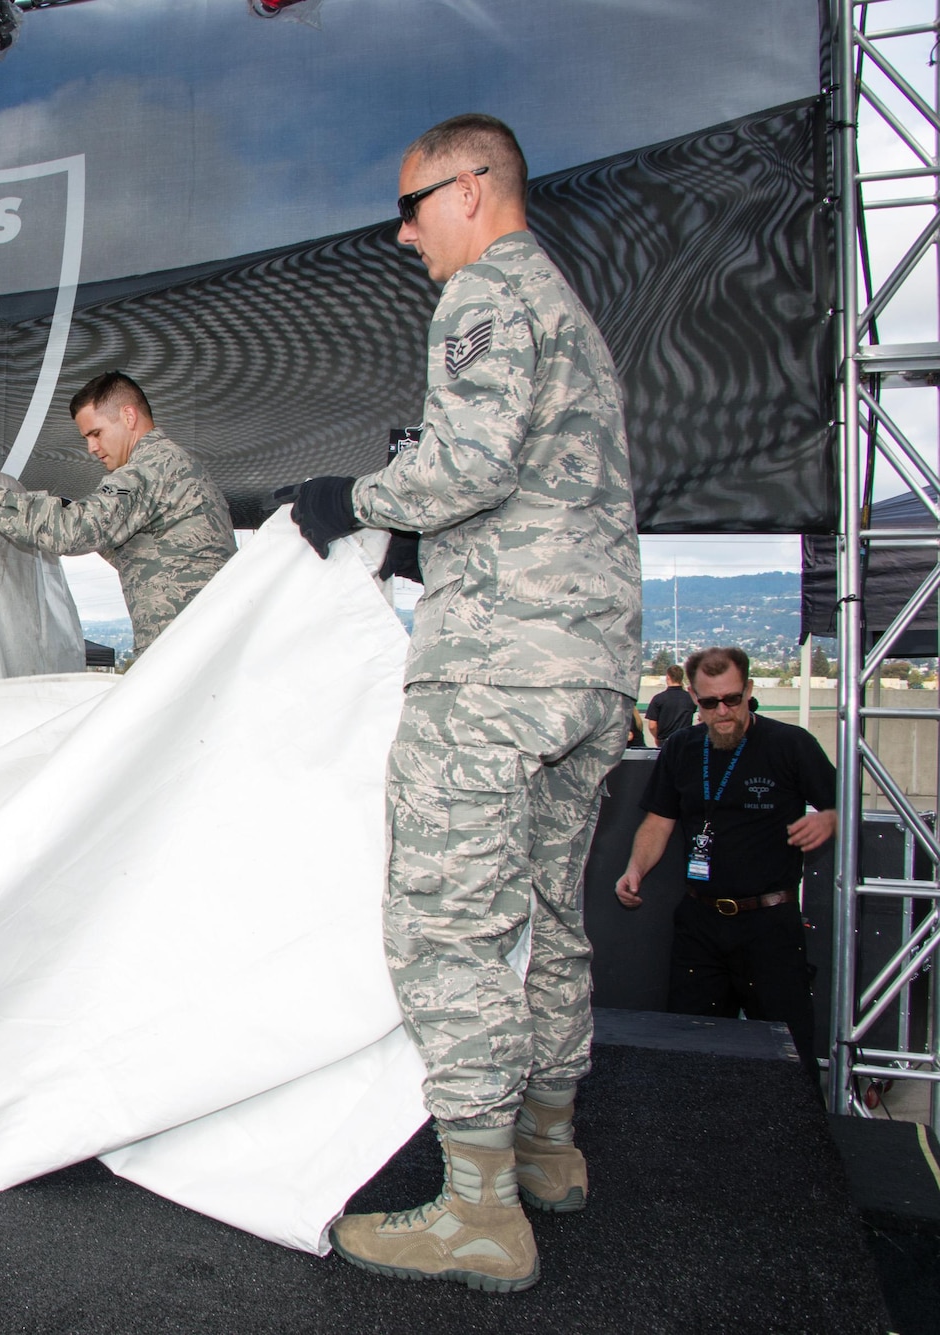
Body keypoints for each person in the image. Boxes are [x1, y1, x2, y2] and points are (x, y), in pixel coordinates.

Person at [288, 115, 643, 1292]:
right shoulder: (568, 312)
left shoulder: (483, 293)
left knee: (448, 922)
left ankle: (478, 1208)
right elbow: (536, 484)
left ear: (475, 186)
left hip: (494, 671)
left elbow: (471, 463)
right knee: (548, 909)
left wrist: (357, 499)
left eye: (413, 204)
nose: (402, 233)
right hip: (586, 665)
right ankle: (546, 1148)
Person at [614, 647, 835, 1062]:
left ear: (749, 690)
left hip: (769, 922)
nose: (724, 711)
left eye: (733, 699)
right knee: (690, 1050)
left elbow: (843, 804)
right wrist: (635, 870)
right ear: (695, 698)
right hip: (700, 922)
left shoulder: (790, 744)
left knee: (789, 1053)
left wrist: (830, 819)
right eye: (711, 702)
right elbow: (659, 821)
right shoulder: (680, 748)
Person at [0, 371, 234, 658]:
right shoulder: (171, 463)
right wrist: (70, 507)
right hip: (202, 640)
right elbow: (146, 550)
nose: (91, 448)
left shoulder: (144, 471)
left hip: (184, 649)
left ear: (129, 417)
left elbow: (70, 532)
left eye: (96, 433)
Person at [645, 664, 696, 747]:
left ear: (668, 677)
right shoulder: (690, 698)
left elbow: (652, 726)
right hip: (685, 741)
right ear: (681, 678)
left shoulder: (658, 699)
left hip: (665, 742)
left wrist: (657, 737)